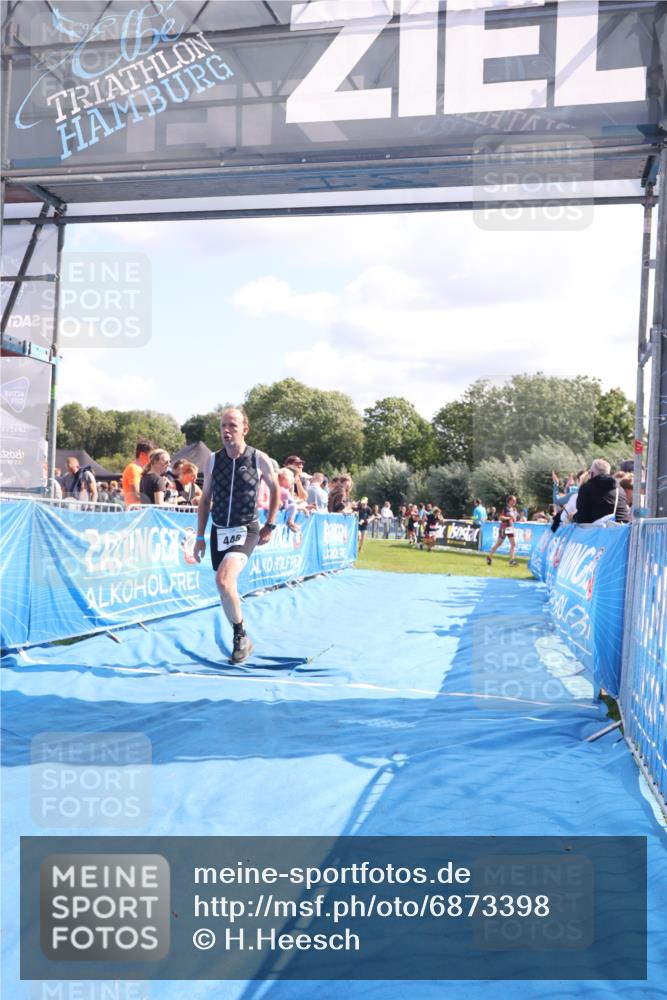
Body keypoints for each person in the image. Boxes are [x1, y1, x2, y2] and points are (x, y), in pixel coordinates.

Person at [194, 407, 279, 664]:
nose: (226, 431)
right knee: (224, 587)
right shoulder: (212, 460)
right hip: (219, 530)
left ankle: (240, 635)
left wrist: (270, 525)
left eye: (232, 425)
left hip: (246, 529)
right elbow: (205, 498)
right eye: (222, 426)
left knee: (223, 580)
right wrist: (200, 536)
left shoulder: (258, 458)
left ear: (245, 429)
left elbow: (275, 490)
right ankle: (241, 632)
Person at [575, 459, 630, 524]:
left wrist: (573, 517)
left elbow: (582, 518)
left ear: (592, 474)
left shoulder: (586, 488)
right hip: (621, 531)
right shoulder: (620, 489)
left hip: (597, 531)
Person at [486, 495, 519, 566]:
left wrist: (514, 517)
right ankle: (489, 557)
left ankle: (511, 560)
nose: (515, 502)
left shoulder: (513, 509)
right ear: (509, 501)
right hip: (504, 528)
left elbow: (514, 519)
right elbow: (501, 517)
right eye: (513, 500)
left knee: (513, 544)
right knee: (499, 544)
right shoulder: (505, 509)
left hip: (510, 528)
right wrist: (509, 517)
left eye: (515, 501)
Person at [122, 440, 154, 507]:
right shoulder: (133, 468)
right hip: (135, 512)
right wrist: (156, 499)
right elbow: (136, 494)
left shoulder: (141, 469)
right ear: (142, 454)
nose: (152, 458)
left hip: (140, 511)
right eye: (151, 455)